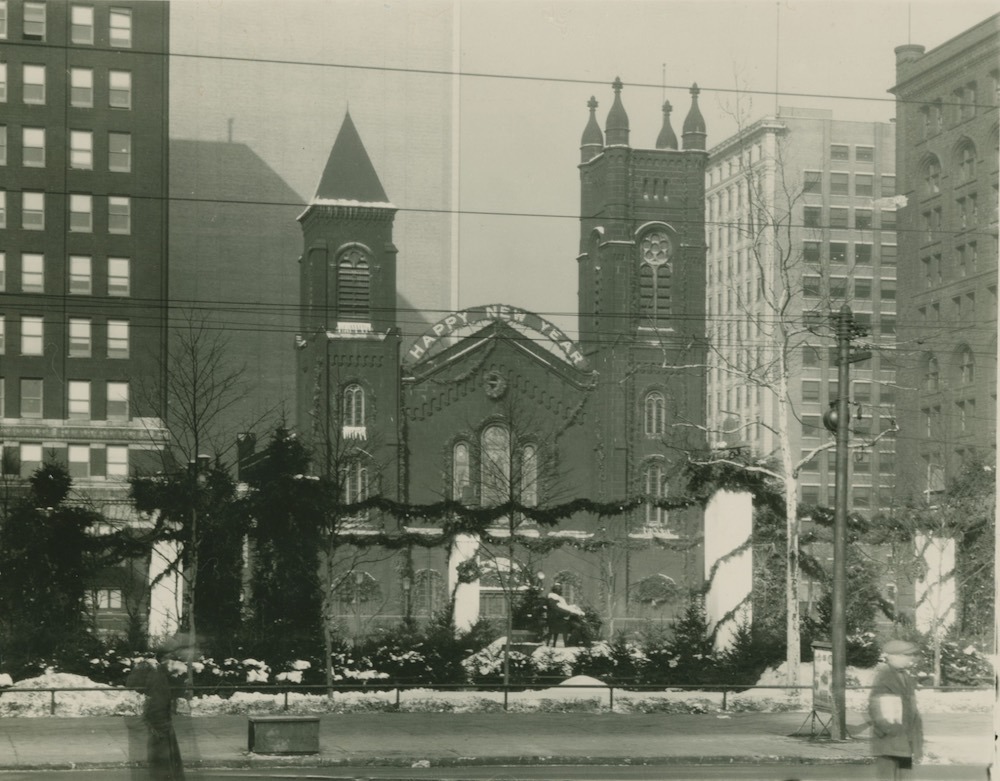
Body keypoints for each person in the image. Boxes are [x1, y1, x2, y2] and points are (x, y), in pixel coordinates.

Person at [127, 643, 186, 780]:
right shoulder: (157, 676)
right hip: (160, 726)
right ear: (165, 660)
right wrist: (161, 727)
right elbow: (158, 702)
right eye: (172, 660)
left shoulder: (161, 674)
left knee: (163, 762)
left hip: (161, 724)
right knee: (163, 763)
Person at [868, 638, 923, 780]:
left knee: (905, 778)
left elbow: (912, 708)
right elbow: (875, 708)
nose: (910, 658)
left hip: (905, 739)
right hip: (889, 741)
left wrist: (916, 737)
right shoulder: (884, 676)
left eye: (910, 655)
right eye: (906, 655)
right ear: (893, 657)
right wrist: (890, 730)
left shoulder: (906, 677)